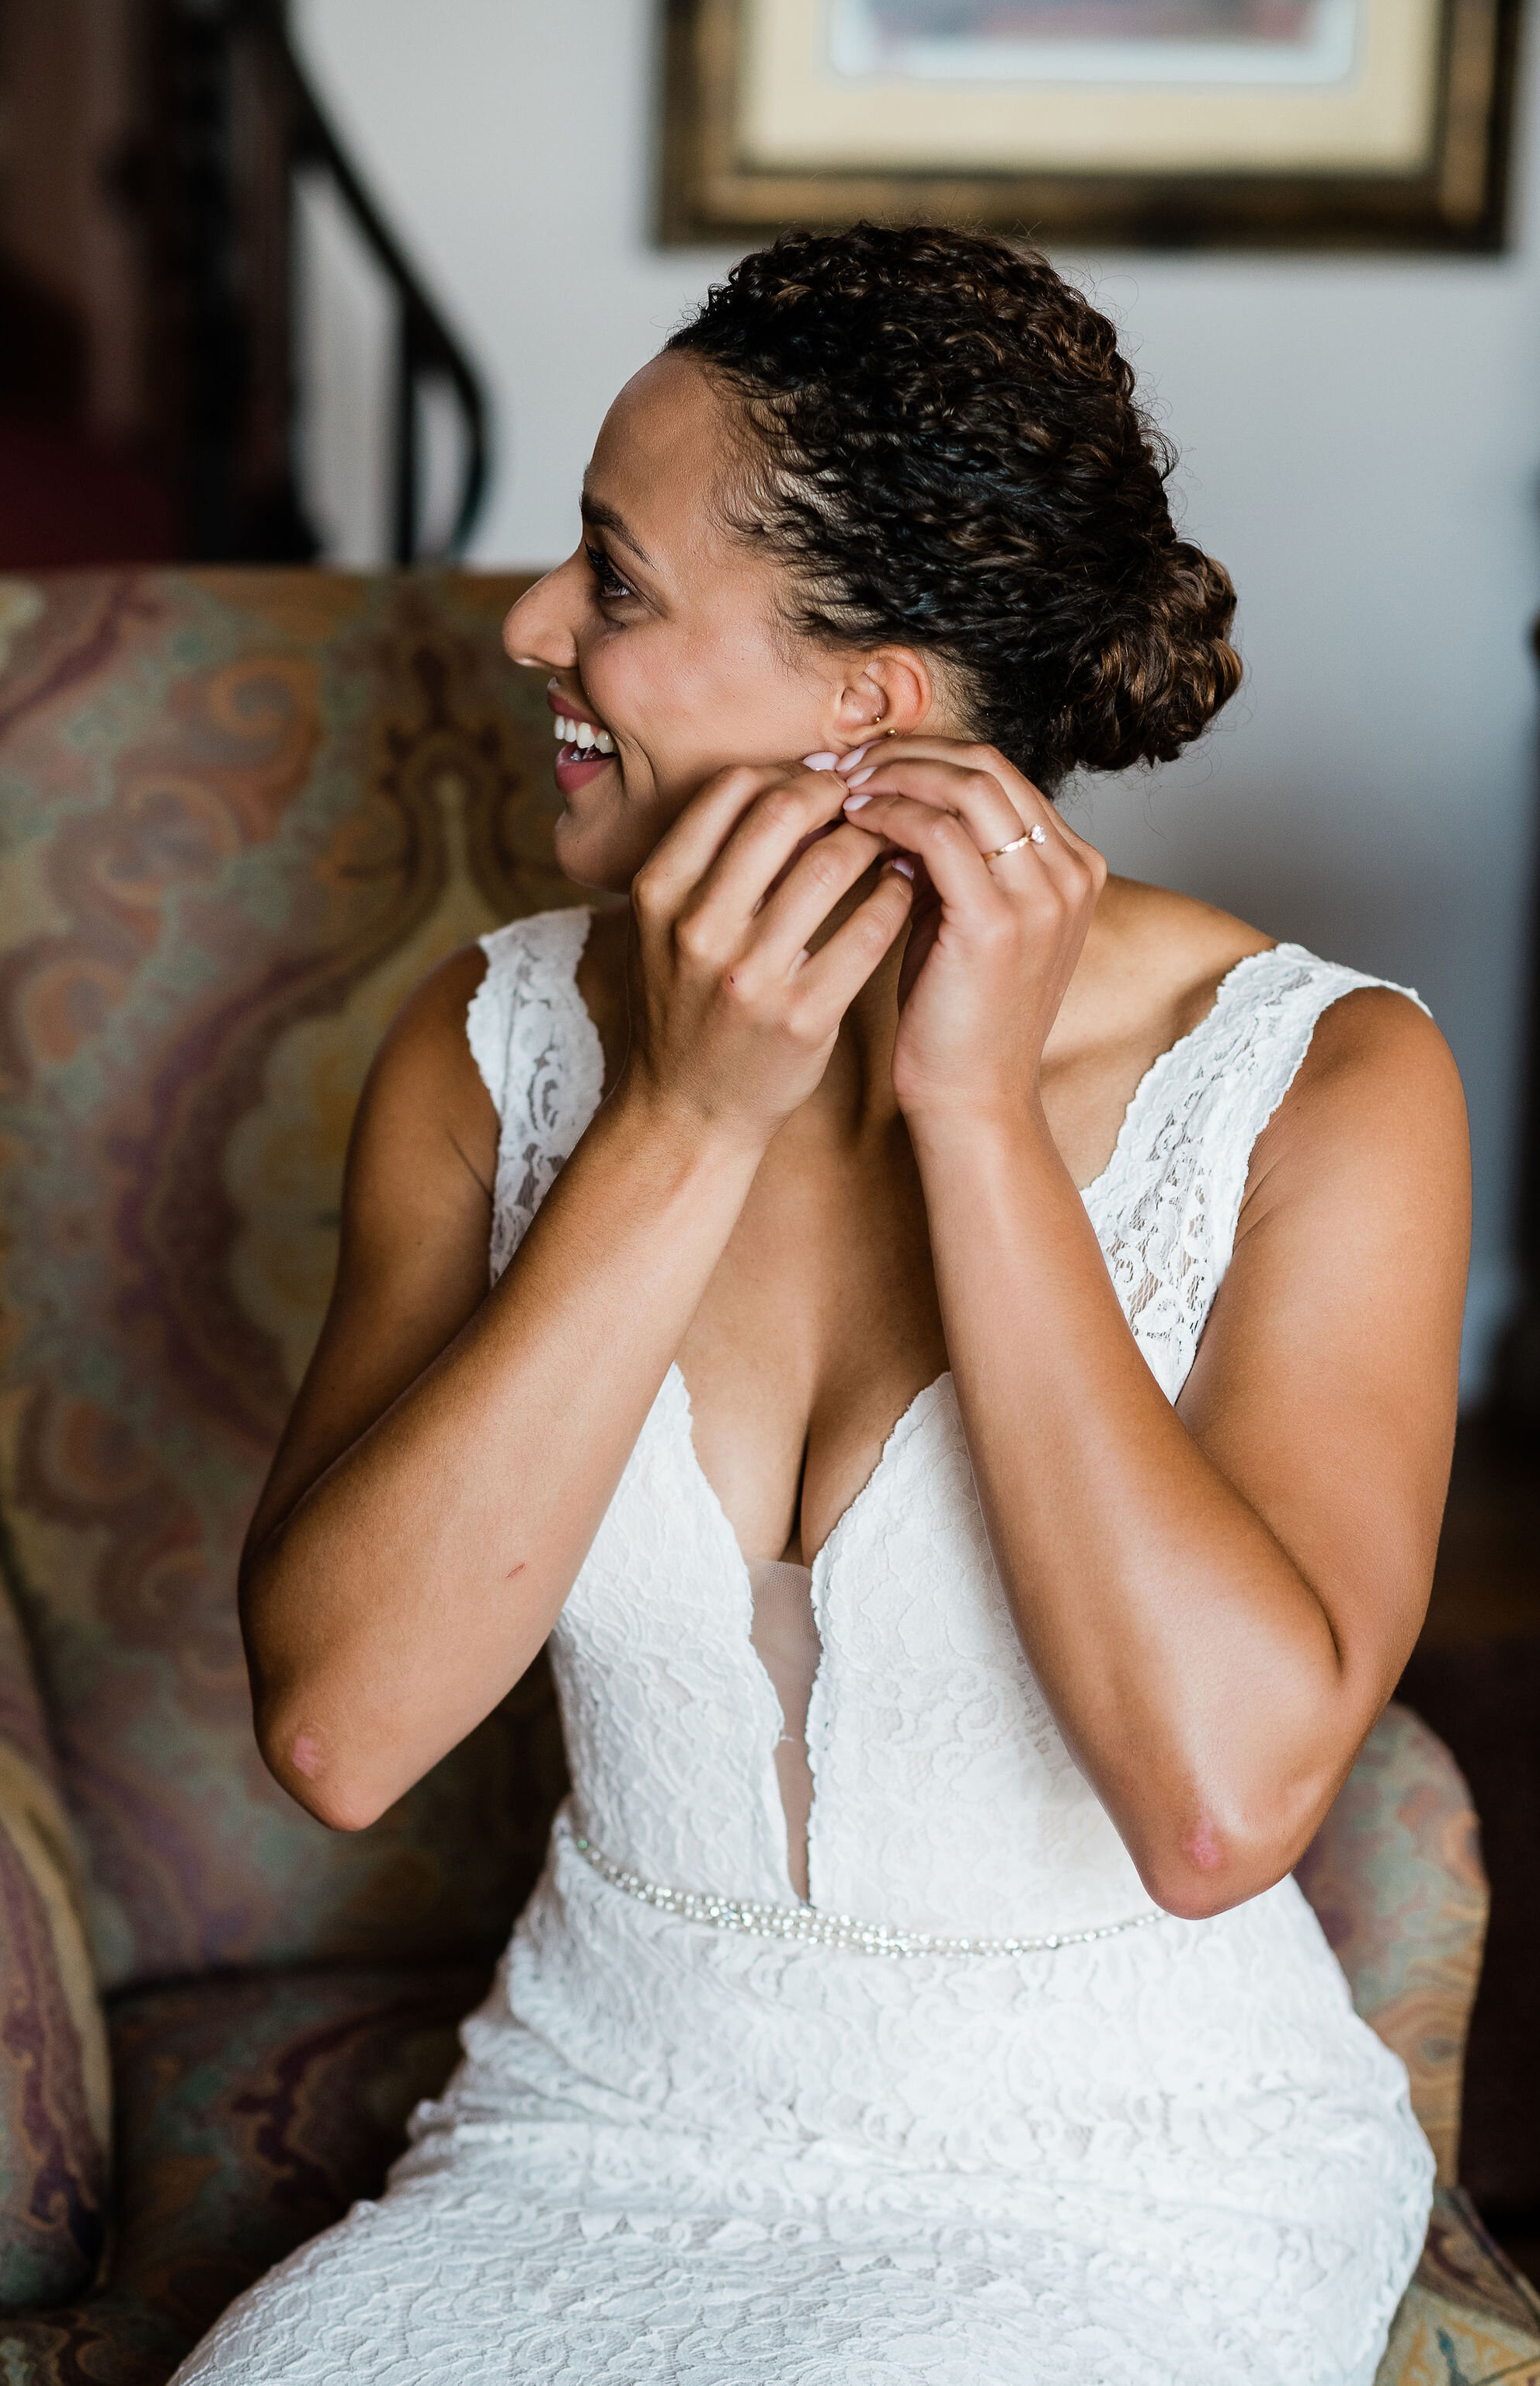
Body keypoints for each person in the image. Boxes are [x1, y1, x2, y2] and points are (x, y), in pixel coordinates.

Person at [176, 225, 1469, 2385]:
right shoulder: (485, 1047)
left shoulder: (1325, 1085)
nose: (523, 626)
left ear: (867, 701)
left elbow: (1219, 1808)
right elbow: (340, 1728)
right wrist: (677, 1124)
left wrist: (974, 1120)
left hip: (1126, 2186)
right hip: (587, 2139)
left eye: (613, 579)